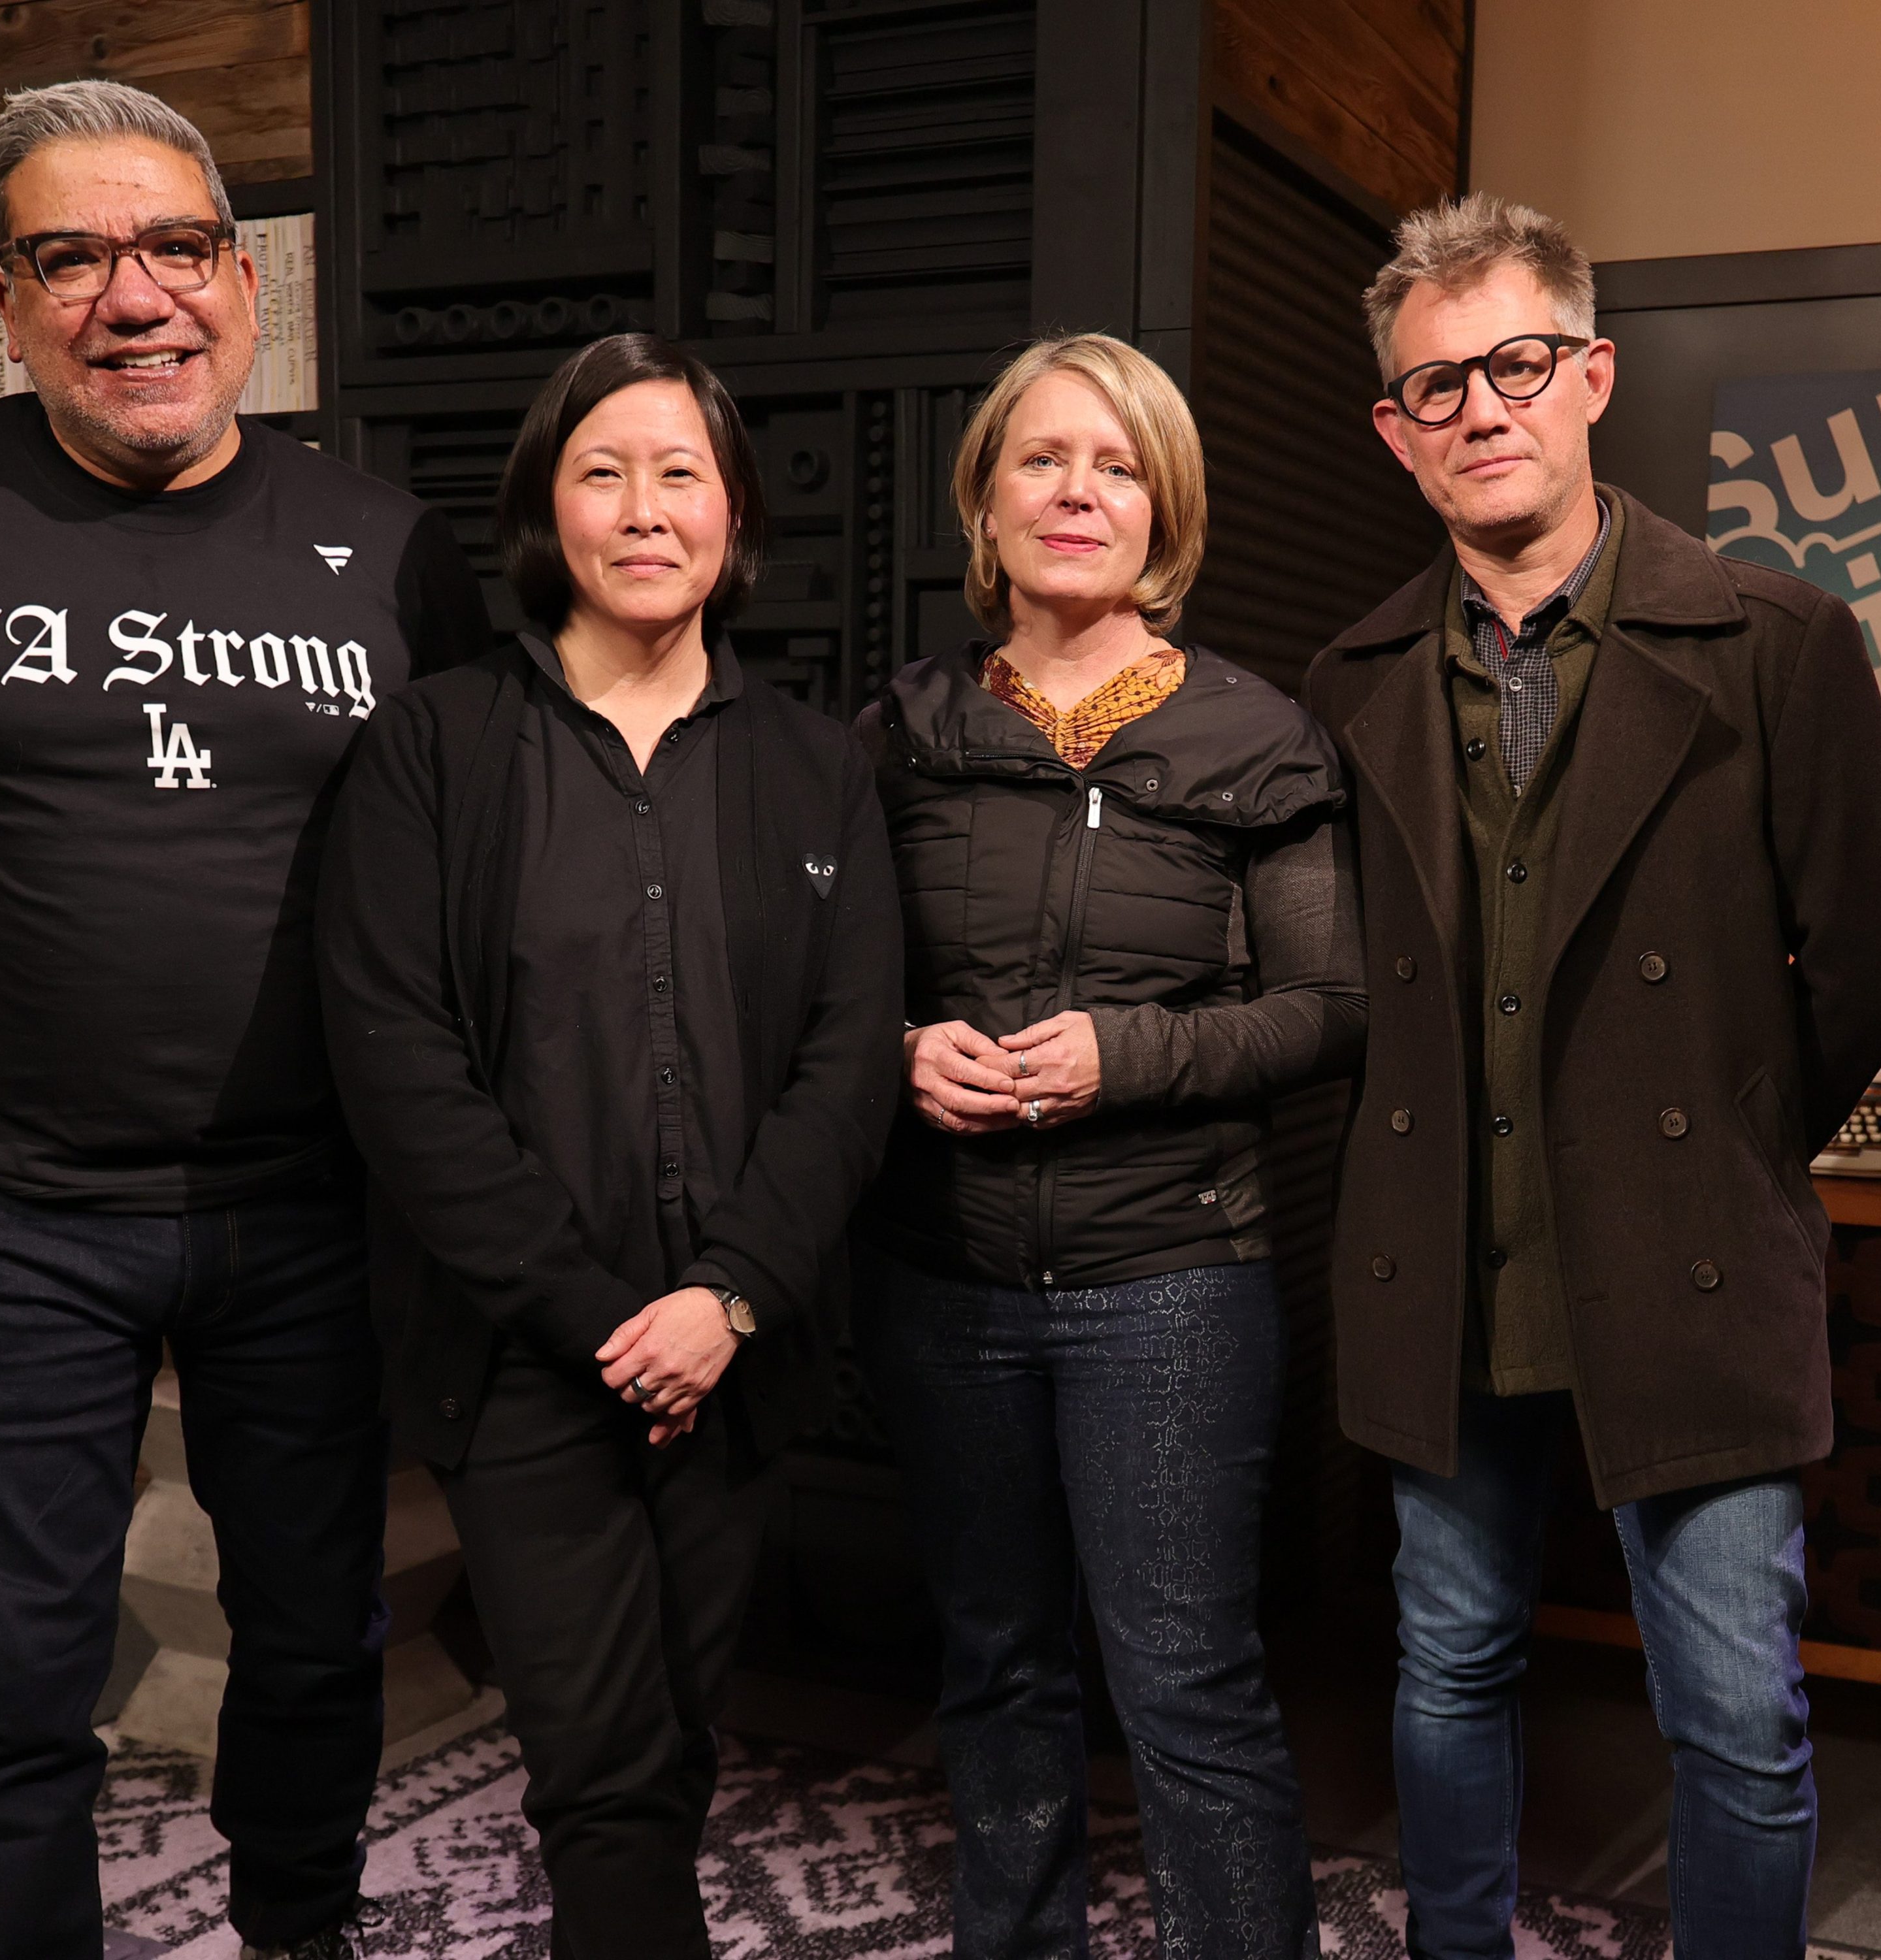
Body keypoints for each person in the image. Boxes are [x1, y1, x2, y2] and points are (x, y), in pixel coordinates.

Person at [0, 80, 491, 1960]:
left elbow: (495, 855)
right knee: (7, 1684)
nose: (130, 294)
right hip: (0, 1211)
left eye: (173, 247)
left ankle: (300, 1937)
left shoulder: (394, 550)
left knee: (318, 1642)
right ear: (7, 302)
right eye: (69, 257)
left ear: (249, 286)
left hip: (312, 1211)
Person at [1304, 193, 1881, 1960]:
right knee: (1450, 1671)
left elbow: (1855, 973)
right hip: (1441, 1261)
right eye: (1438, 385)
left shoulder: (1780, 645)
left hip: (1692, 1250)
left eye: (1519, 364)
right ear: (1397, 435)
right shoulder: (1349, 679)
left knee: (1737, 1722)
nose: (1483, 407)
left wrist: (1715, 1140)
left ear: (1593, 378)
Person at [315, 331, 902, 1957]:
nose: (645, 510)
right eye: (602, 471)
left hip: (740, 1343)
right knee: (607, 1765)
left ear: (733, 514)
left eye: (681, 473)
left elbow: (850, 1065)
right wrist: (595, 1320)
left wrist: (725, 1299)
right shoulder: (433, 749)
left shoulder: (811, 766)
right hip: (527, 1353)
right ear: (545, 509)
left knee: (676, 1730)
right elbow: (400, 1065)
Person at [853, 331, 1364, 1959]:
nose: (1080, 491)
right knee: (996, 1665)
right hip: (943, 1282)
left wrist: (1125, 1056)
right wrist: (895, 1054)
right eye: (1044, 459)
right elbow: (810, 994)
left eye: (1120, 464)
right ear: (984, 499)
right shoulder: (904, 730)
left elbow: (1326, 1009)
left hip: (1173, 1284)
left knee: (1186, 1681)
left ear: (1168, 511)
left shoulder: (1254, 739)